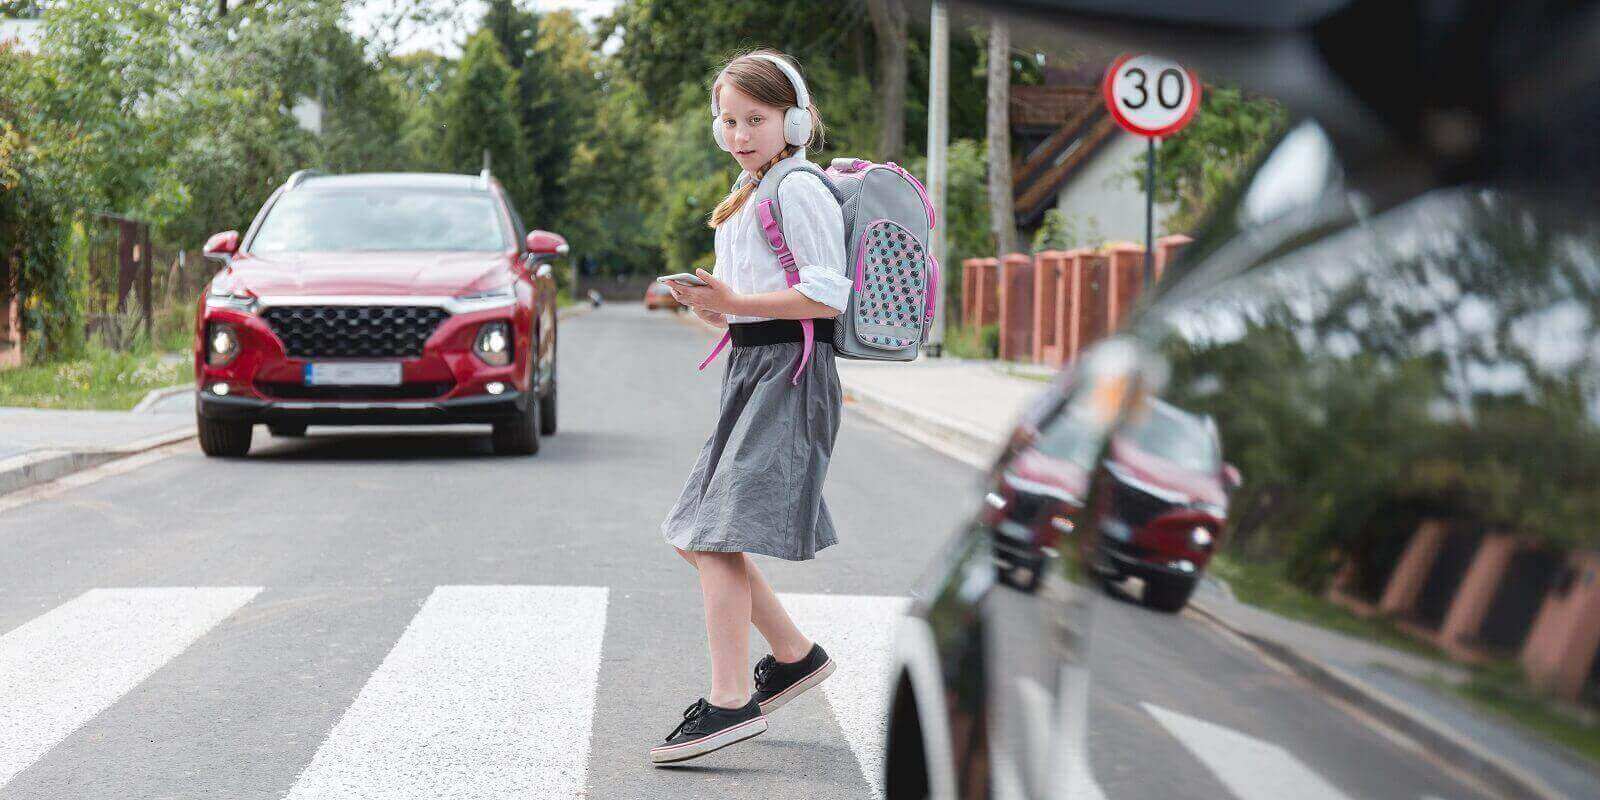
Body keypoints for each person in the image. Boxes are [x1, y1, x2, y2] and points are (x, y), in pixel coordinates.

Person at [650, 49, 850, 766]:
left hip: (790, 375)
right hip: (753, 366)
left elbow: (829, 293)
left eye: (755, 119)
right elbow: (756, 300)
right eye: (728, 120)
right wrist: (720, 310)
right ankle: (793, 656)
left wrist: (736, 303)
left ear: (792, 121)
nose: (738, 132)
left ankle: (732, 703)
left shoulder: (798, 188)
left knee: (709, 535)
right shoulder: (750, 189)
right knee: (693, 530)